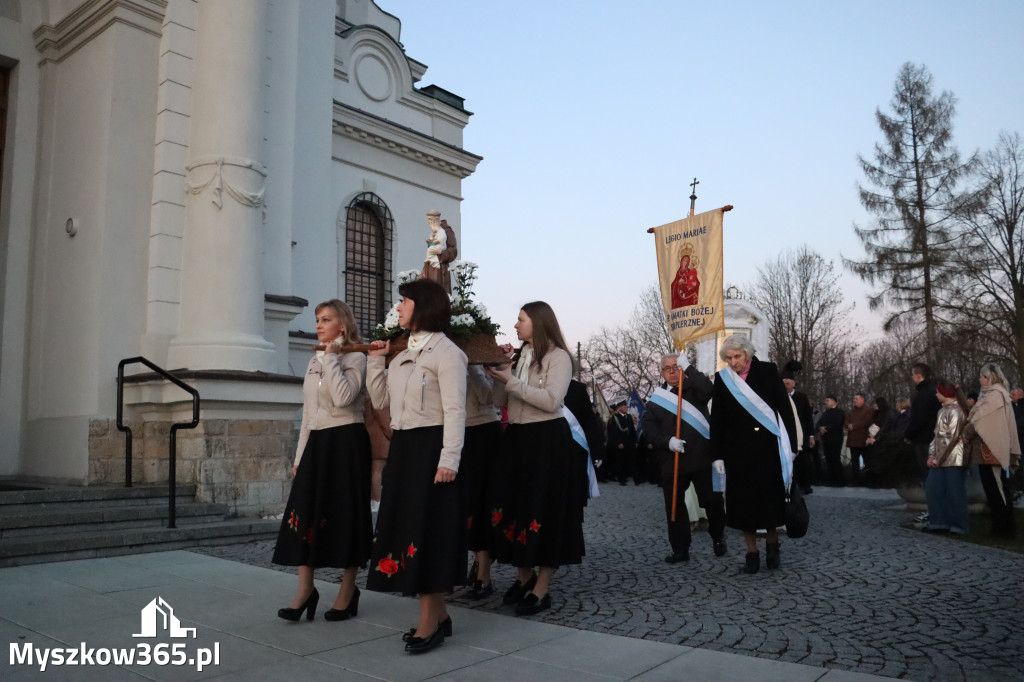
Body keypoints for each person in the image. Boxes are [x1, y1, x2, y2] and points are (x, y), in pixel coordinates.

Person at [365, 278, 468, 654]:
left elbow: (456, 410)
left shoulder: (448, 353)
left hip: (433, 448)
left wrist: (449, 459)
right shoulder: (402, 353)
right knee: (407, 528)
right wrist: (376, 362)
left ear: (423, 306)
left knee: (428, 532)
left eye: (405, 301)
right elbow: (380, 399)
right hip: (405, 447)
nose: (400, 308)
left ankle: (429, 620)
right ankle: (438, 615)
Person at [273, 300, 372, 623]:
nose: (318, 325)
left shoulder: (357, 356)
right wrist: (300, 456)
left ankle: (347, 589)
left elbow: (344, 398)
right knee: (305, 514)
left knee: (346, 514)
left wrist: (331, 358)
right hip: (317, 443)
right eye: (317, 319)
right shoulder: (316, 358)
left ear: (341, 325)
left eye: (325, 319)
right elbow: (310, 412)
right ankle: (305, 590)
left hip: (346, 442)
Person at [486, 302, 584, 616]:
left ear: (538, 323)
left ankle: (542, 587)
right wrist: (499, 374)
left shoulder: (559, 358)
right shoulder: (518, 356)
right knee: (515, 506)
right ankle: (523, 576)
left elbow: (551, 400)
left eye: (520, 319)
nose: (515, 325)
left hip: (547, 440)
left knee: (545, 508)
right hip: (516, 439)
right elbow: (499, 400)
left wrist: (510, 381)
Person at [709, 334, 797, 574]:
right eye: (728, 358)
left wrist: (792, 448)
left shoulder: (768, 371)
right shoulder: (723, 379)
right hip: (736, 451)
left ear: (747, 353)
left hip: (768, 447)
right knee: (742, 504)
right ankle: (751, 552)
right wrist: (716, 455)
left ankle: (771, 543)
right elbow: (717, 419)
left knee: (769, 500)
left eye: (737, 356)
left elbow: (784, 409)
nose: (733, 362)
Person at [642, 352, 726, 564]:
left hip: (701, 458)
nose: (672, 372)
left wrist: (688, 368)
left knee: (711, 502)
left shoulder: (694, 389)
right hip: (673, 461)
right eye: (667, 368)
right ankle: (680, 548)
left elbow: (710, 389)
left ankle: (718, 536)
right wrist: (668, 441)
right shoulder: (656, 400)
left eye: (676, 367)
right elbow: (649, 428)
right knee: (675, 506)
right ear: (661, 373)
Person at [460, 365, 502, 600]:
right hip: (452, 433)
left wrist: (472, 366)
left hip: (482, 432)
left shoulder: (477, 361)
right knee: (464, 505)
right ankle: (478, 559)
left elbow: (490, 398)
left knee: (481, 503)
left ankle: (484, 568)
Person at [963, 363, 1019, 537]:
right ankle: (1001, 525)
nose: (979, 380)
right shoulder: (996, 394)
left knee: (997, 489)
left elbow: (979, 421)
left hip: (993, 450)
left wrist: (965, 433)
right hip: (991, 450)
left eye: (981, 376)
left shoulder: (995, 395)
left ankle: (1004, 528)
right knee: (995, 489)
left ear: (988, 377)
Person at [923, 380, 970, 535]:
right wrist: (931, 455)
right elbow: (936, 436)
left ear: (946, 393)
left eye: (938, 392)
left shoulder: (956, 411)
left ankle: (958, 525)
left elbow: (952, 437)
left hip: (954, 457)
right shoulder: (941, 411)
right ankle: (938, 522)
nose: (936, 394)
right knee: (934, 488)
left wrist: (938, 458)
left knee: (954, 491)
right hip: (939, 457)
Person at [782, 362, 815, 495]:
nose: (785, 386)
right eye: (783, 384)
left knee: (803, 461)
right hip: (787, 434)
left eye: (788, 384)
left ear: (793, 383)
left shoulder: (801, 397)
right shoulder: (781, 397)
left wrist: (811, 435)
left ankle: (805, 485)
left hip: (802, 433)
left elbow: (808, 417)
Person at [905, 363, 941, 481]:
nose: (912, 378)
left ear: (918, 375)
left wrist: (909, 435)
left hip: (924, 439)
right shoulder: (935, 391)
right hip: (936, 437)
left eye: (913, 375)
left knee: (928, 473)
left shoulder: (922, 395)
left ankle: (933, 497)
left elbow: (919, 419)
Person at [419, 211, 458, 293]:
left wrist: (440, 256)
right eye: (428, 220)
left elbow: (453, 250)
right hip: (430, 267)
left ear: (436, 219)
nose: (429, 222)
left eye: (430, 220)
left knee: (438, 293)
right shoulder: (435, 231)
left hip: (440, 268)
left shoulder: (447, 232)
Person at [816, 396, 846, 486]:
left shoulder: (840, 412)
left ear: (834, 402)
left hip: (836, 438)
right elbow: (819, 422)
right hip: (826, 439)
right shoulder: (825, 413)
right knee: (828, 459)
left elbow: (837, 423)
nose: (826, 402)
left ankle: (839, 481)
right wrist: (819, 428)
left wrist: (826, 428)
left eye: (828, 401)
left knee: (835, 459)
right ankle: (831, 480)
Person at [607, 401, 638, 485]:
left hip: (629, 442)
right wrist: (618, 442)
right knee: (620, 461)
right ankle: (622, 479)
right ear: (620, 408)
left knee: (631, 460)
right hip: (621, 443)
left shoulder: (628, 417)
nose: (626, 408)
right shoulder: (615, 418)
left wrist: (635, 441)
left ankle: (635, 478)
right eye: (625, 407)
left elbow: (632, 430)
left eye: (627, 407)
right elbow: (614, 432)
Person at [845, 393, 873, 485]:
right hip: (853, 440)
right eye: (854, 398)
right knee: (854, 462)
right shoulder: (852, 410)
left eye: (856, 398)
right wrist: (848, 425)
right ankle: (855, 480)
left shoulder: (868, 410)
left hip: (863, 439)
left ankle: (870, 480)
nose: (855, 400)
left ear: (862, 399)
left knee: (867, 461)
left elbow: (866, 421)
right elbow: (846, 420)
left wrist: (854, 425)